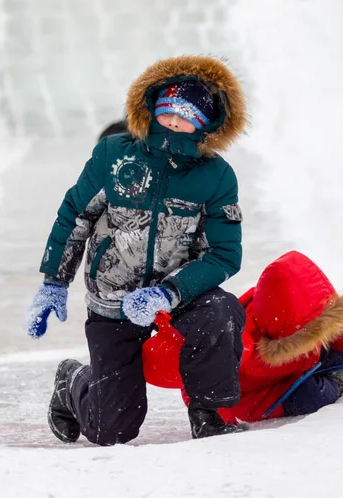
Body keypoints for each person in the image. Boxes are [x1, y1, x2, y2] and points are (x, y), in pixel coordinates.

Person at [25, 55, 248, 444]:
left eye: (187, 116)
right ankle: (72, 381)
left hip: (178, 301)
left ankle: (209, 413)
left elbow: (224, 254)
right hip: (112, 302)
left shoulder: (216, 176)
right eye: (168, 112)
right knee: (112, 430)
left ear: (207, 125)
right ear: (152, 107)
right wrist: (54, 281)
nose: (175, 122)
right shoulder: (114, 155)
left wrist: (169, 292)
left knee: (221, 310)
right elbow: (76, 215)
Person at [144, 250, 343, 423]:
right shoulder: (234, 344)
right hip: (274, 391)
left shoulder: (303, 318)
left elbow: (337, 324)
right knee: (314, 395)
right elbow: (196, 386)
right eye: (312, 329)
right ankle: (341, 378)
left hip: (305, 359)